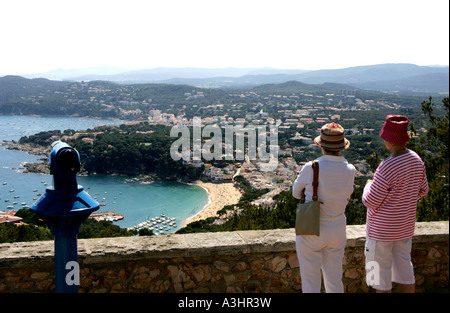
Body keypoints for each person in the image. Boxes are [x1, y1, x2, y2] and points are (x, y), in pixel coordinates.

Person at [362, 115, 429, 293]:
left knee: (377, 280)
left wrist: (367, 186)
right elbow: (423, 191)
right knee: (405, 272)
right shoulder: (417, 160)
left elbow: (370, 201)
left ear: (387, 140)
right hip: (404, 229)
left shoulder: (387, 166)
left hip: (380, 232)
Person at [293, 122, 356, 293]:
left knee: (310, 280)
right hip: (337, 226)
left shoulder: (311, 167)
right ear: (342, 147)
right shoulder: (350, 170)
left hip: (310, 225)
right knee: (334, 279)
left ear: (320, 145)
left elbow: (295, 193)